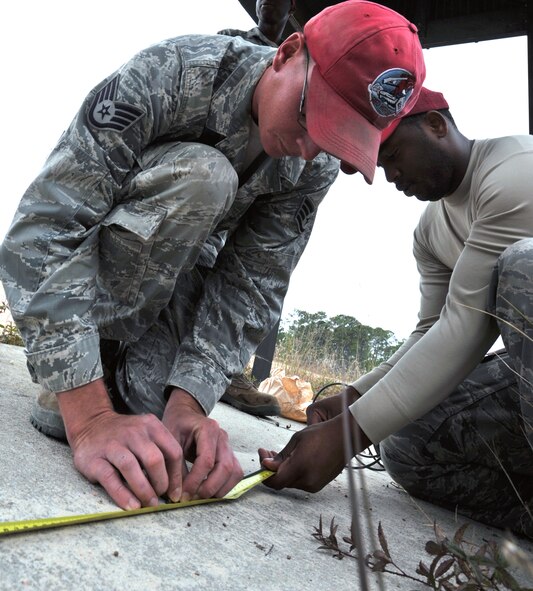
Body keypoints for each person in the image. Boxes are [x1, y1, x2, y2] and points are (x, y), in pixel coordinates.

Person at [0, 1, 425, 511]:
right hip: (98, 280)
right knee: (206, 176)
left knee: (167, 443)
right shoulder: (172, 74)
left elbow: (252, 282)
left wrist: (190, 401)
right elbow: (47, 226)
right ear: (287, 53)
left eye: (338, 138)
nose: (312, 148)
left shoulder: (315, 163)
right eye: (317, 116)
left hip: (178, 285)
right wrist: (89, 416)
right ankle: (89, 372)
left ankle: (135, 393)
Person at [260, 87, 533, 539]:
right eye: (381, 164)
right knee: (407, 442)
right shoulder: (431, 231)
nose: (390, 175)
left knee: (525, 268)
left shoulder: (515, 171)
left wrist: (347, 436)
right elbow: (432, 331)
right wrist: (354, 396)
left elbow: (467, 328)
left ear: (436, 125)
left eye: (392, 153)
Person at [215, 0, 300, 418]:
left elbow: (266, 263)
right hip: (203, 202)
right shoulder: (230, 46)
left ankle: (224, 369)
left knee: (258, 263)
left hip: (249, 206)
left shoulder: (307, 72)